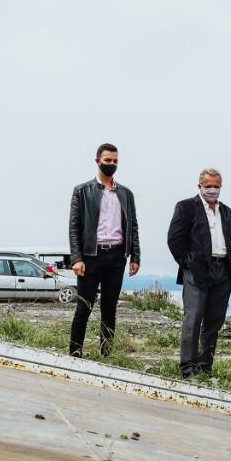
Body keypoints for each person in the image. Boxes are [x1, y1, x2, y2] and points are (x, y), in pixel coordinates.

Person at [67, 143, 140, 357]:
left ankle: (106, 354)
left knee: (110, 309)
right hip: (91, 257)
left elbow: (133, 226)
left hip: (117, 257)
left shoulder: (126, 193)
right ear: (97, 160)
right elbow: (74, 227)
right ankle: (75, 353)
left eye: (115, 161)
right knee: (84, 307)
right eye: (108, 160)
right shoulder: (82, 191)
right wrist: (76, 258)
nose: (112, 164)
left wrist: (135, 255)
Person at [167, 168, 231, 378]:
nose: (212, 190)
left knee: (215, 320)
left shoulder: (227, 211)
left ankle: (205, 366)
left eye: (216, 186)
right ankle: (187, 367)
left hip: (223, 269)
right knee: (193, 318)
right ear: (200, 186)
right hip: (197, 271)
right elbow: (174, 240)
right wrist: (190, 263)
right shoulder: (186, 207)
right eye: (208, 186)